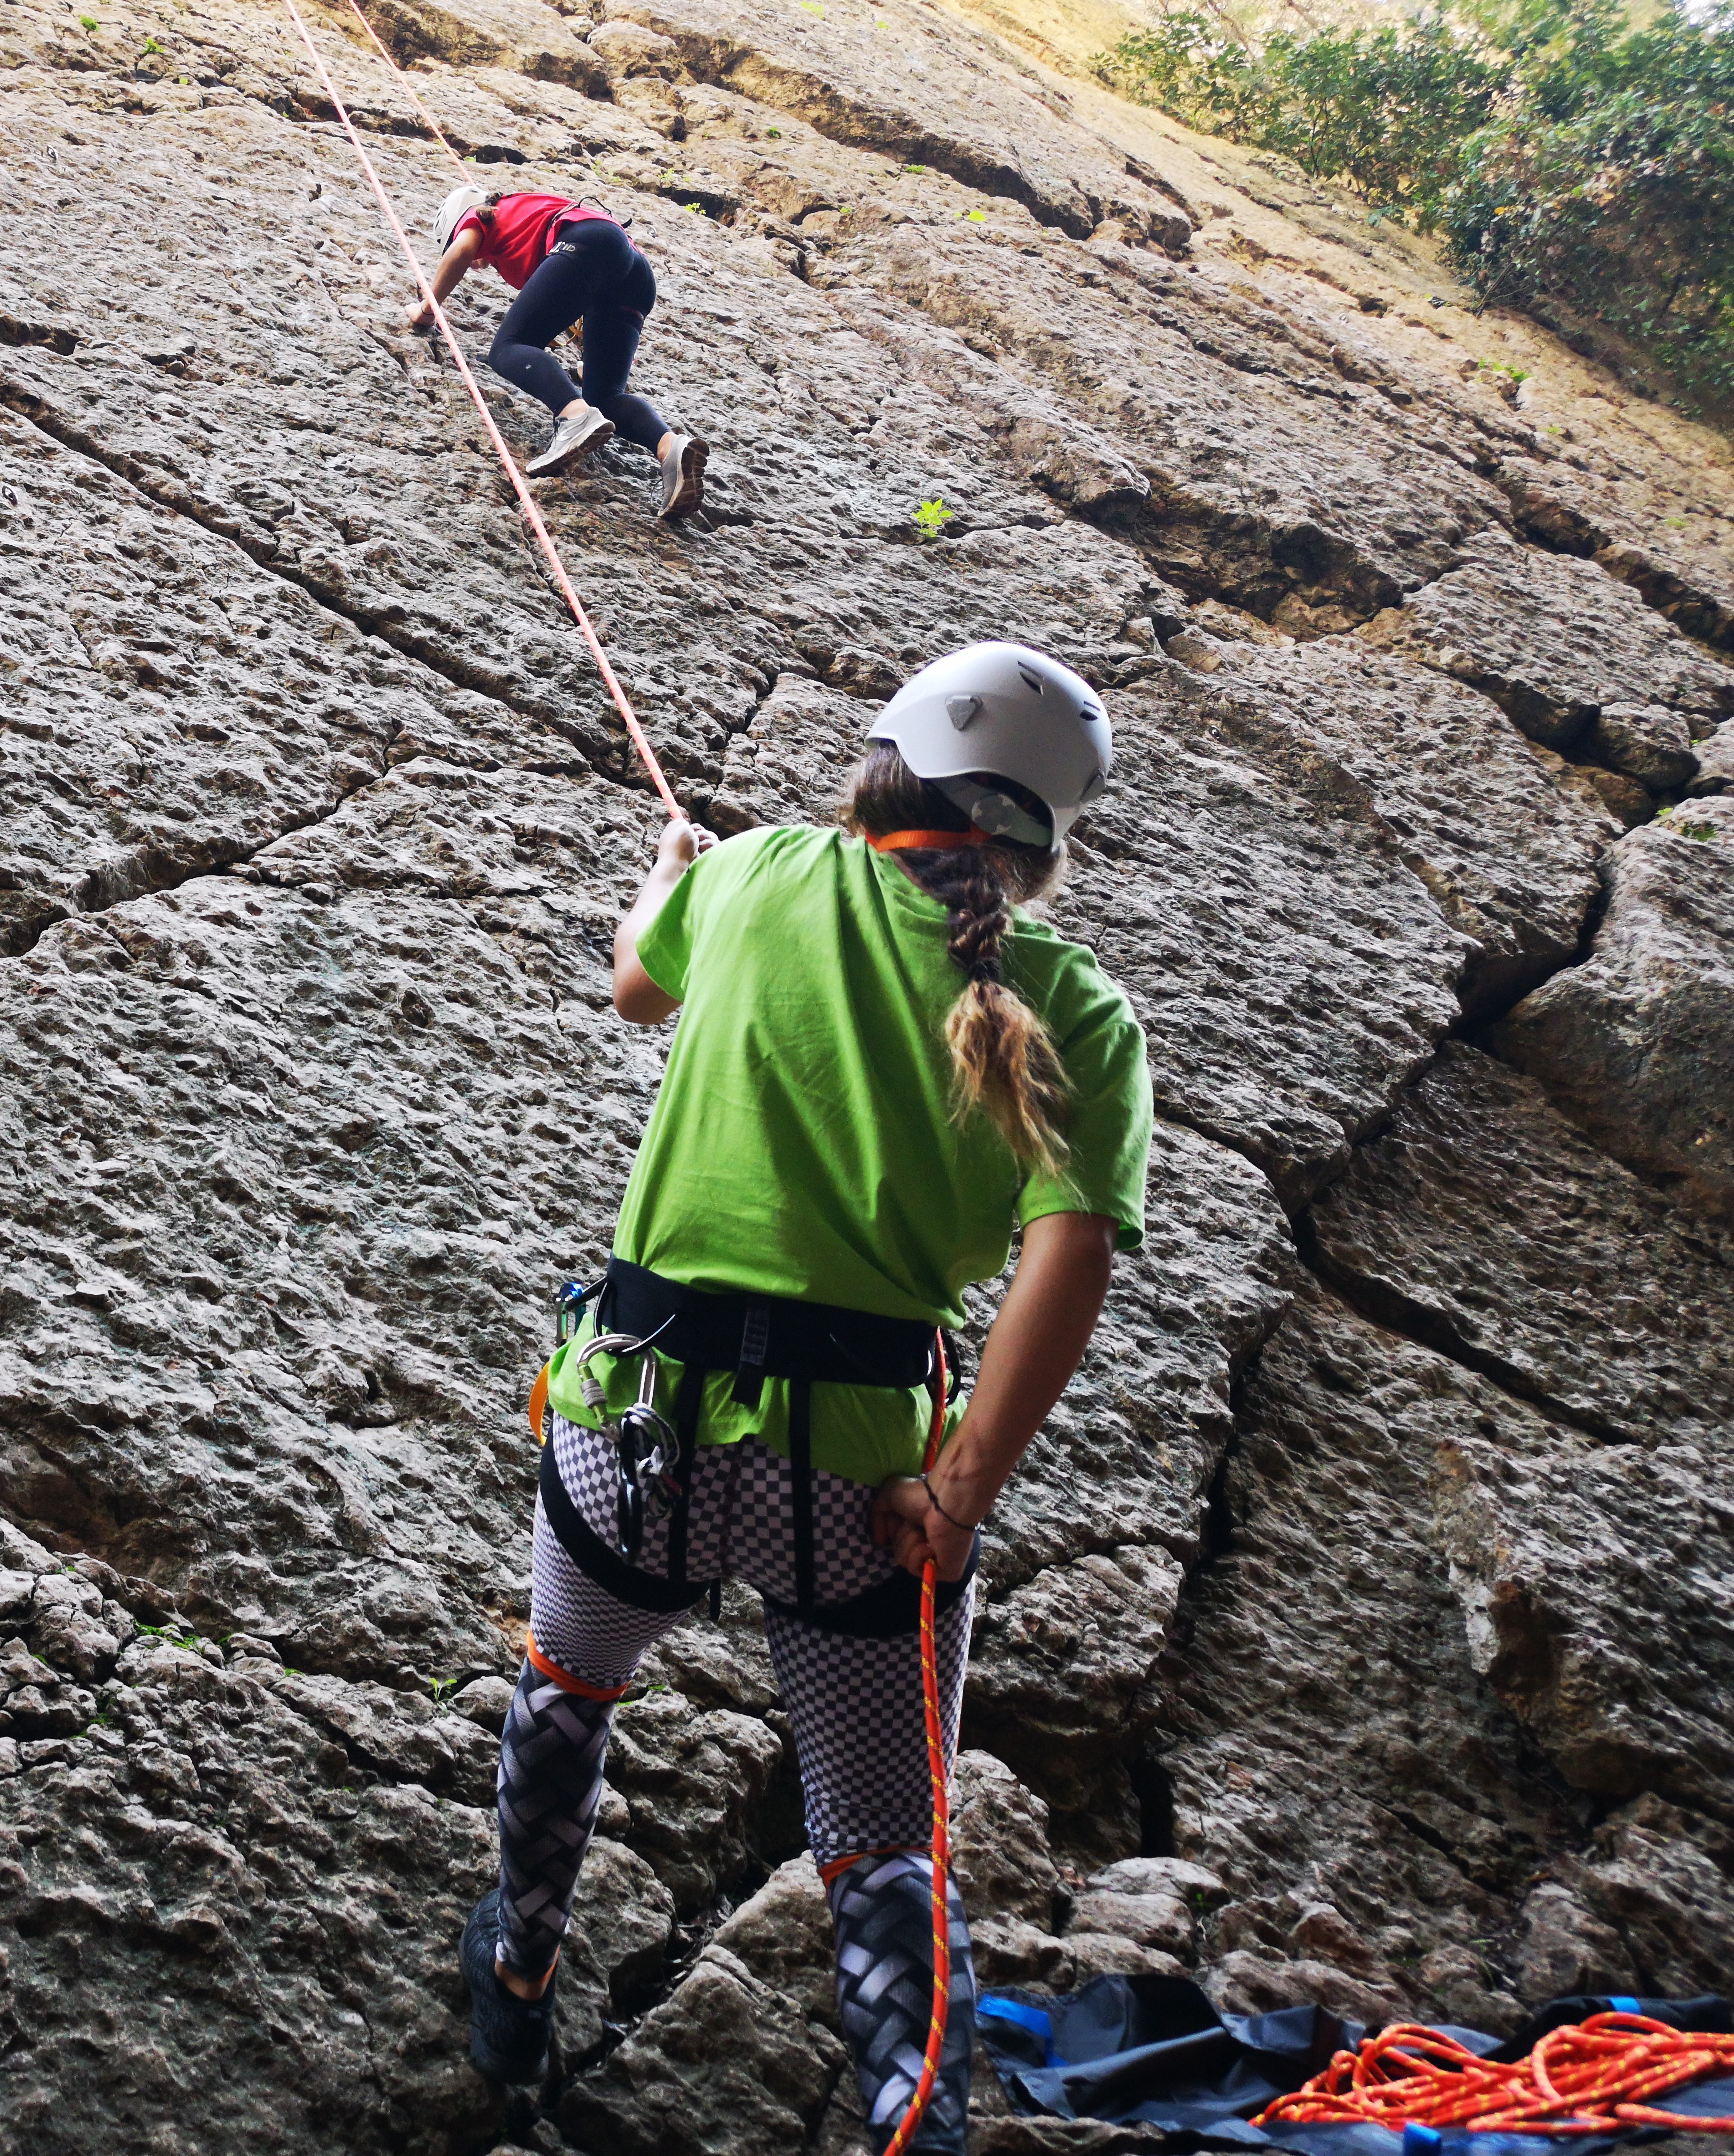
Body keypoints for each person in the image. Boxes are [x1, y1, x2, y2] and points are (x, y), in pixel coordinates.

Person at [462, 641, 1153, 2150]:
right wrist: (961, 1487)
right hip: (856, 1475)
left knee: (569, 1687)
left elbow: (638, 977)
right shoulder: (1074, 1008)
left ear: (887, 768)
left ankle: (517, 1971)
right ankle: (919, 2123)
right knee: (882, 1849)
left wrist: (665, 874)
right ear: (1042, 843)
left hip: (631, 1416)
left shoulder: (761, 875)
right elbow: (1071, 1251)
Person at [404, 182, 710, 524]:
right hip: (633, 271)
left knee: (508, 348)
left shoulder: (481, 217)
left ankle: (574, 416)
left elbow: (461, 252)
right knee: (605, 396)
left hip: (591, 244)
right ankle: (671, 449)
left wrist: (428, 308)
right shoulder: (524, 220)